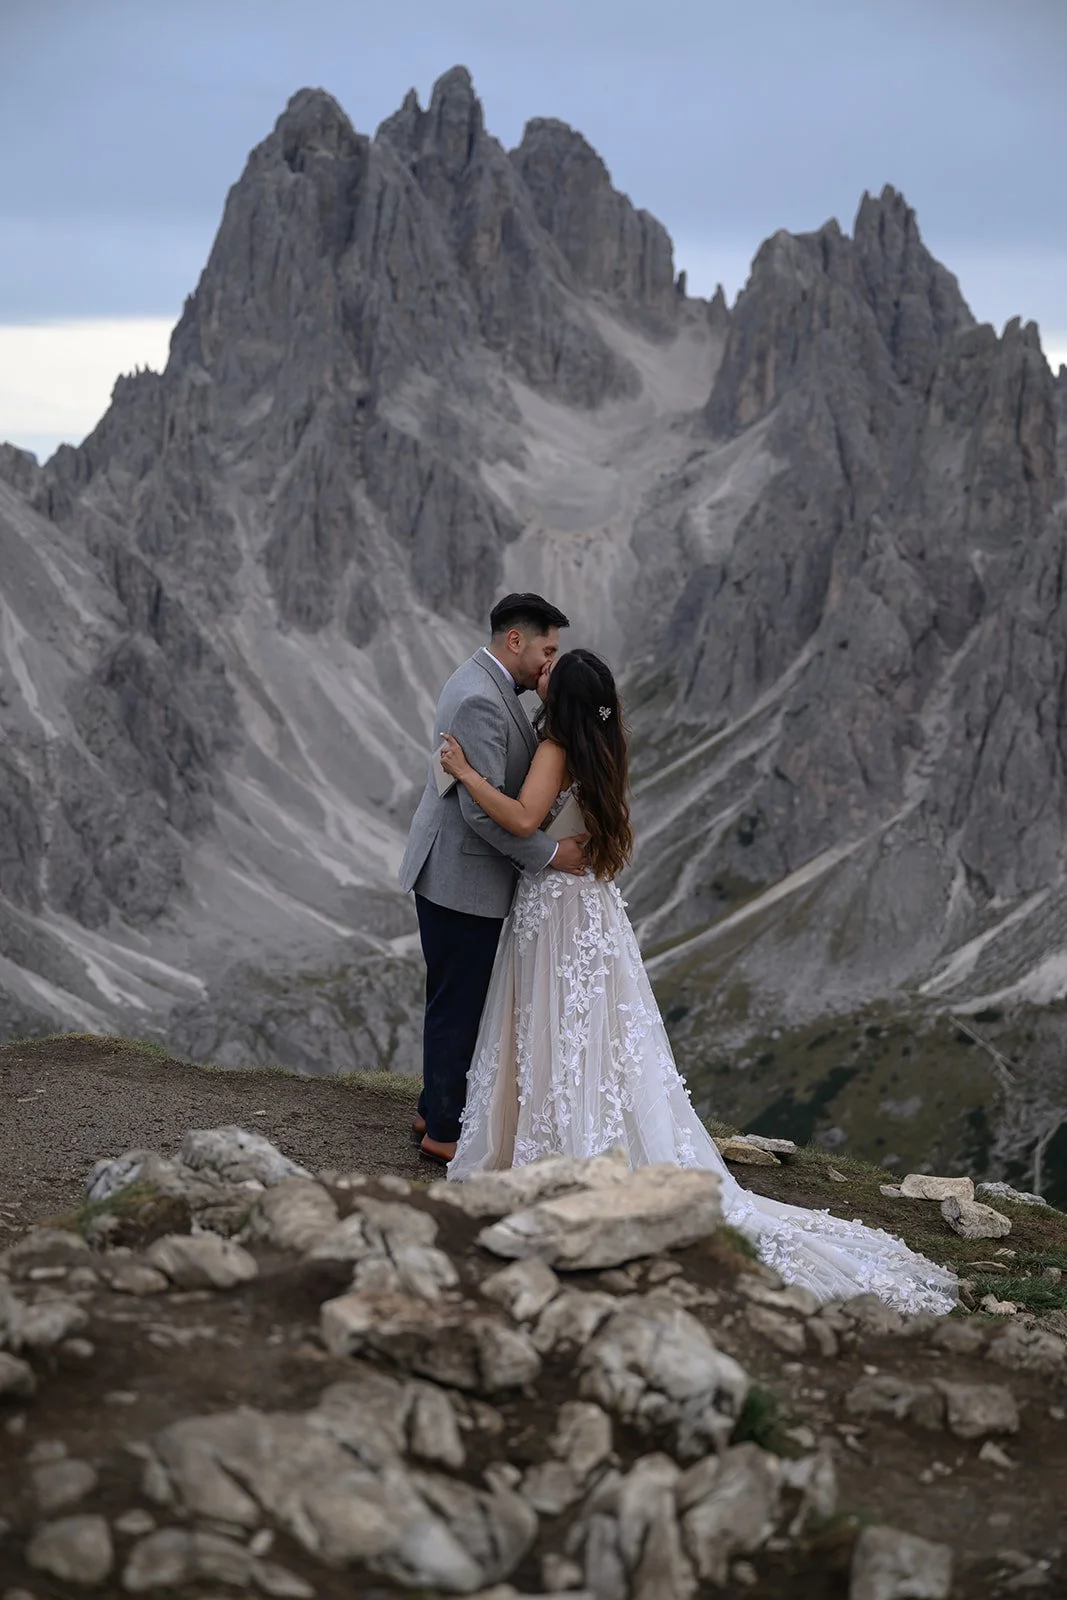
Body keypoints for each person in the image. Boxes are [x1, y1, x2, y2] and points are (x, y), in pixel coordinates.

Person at [438, 647, 957, 1314]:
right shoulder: (604, 740)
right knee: (585, 1038)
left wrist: (464, 772)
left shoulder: (557, 746)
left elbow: (517, 819)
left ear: (560, 697)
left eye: (550, 673)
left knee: (551, 1031)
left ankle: (545, 1153)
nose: (541, 669)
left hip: (555, 913)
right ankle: (566, 1141)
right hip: (589, 912)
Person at [398, 594, 590, 1166]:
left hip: (456, 868)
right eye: (547, 650)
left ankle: (433, 1105)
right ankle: (443, 1132)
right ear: (516, 641)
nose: (550, 663)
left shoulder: (484, 680)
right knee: (461, 1003)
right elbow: (483, 813)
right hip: (461, 874)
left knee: (455, 996)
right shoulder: (482, 699)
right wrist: (551, 854)